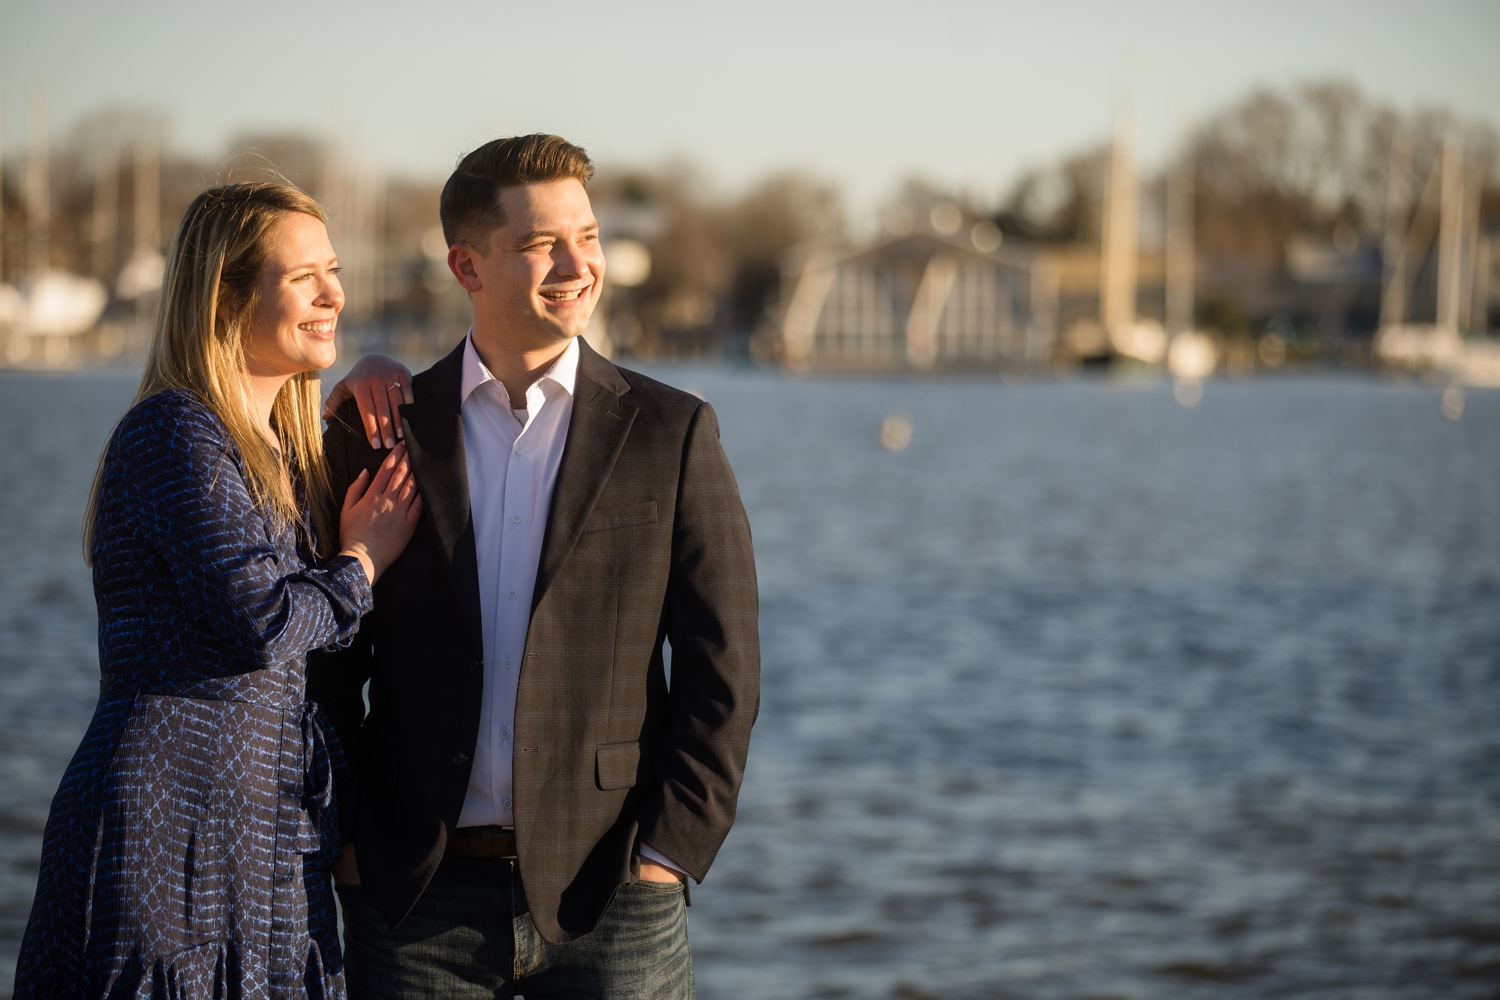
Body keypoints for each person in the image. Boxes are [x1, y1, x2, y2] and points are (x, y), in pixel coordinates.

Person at [309, 133, 760, 999]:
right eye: (539, 243)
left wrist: (670, 852)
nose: (576, 264)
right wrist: (353, 845)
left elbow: (724, 668)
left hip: (616, 894)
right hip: (413, 899)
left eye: (586, 237)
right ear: (466, 266)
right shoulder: (380, 430)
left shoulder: (674, 432)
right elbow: (328, 665)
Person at [13, 183, 423, 1000]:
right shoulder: (176, 430)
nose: (333, 294)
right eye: (302, 276)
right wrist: (363, 563)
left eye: (334, 271)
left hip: (267, 835)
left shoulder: (289, 449)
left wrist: (375, 383)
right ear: (225, 298)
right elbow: (263, 623)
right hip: (167, 828)